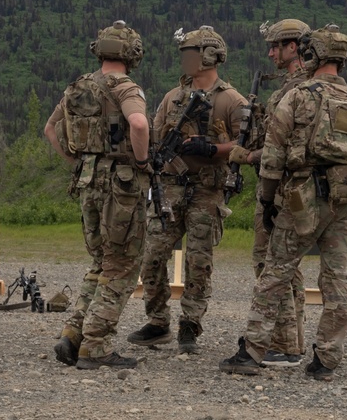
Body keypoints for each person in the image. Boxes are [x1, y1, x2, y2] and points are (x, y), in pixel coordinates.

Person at [219, 24, 347, 381]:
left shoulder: (299, 95)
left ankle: (252, 352)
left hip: (302, 198)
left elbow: (274, 153)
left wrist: (267, 197)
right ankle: (327, 359)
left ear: (313, 54)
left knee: (275, 272)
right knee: (336, 281)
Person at [127, 26, 247, 354]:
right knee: (151, 256)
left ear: (209, 55)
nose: (185, 59)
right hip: (169, 189)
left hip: (207, 191)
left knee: (199, 262)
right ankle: (158, 321)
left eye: (191, 52)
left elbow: (248, 146)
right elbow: (153, 135)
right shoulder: (173, 98)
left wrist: (213, 149)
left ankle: (190, 325)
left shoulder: (231, 100)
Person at [44, 20, 150, 370]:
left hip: (87, 182)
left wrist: (76, 160)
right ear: (132, 52)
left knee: (100, 263)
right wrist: (142, 161)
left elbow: (50, 129)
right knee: (122, 266)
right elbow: (138, 124)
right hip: (120, 187)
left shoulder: (77, 88)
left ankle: (73, 335)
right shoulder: (124, 88)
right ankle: (97, 345)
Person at [227, 19, 311, 367]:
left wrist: (246, 155)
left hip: (281, 190)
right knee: (287, 268)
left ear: (294, 47)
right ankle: (291, 340)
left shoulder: (299, 90)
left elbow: (291, 148)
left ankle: (283, 344)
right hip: (287, 189)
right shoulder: (297, 86)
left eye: (277, 46)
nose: (271, 52)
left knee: (269, 264)